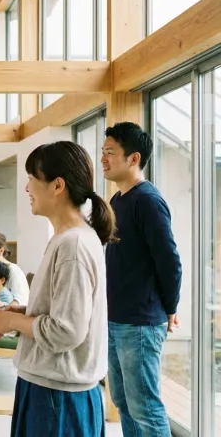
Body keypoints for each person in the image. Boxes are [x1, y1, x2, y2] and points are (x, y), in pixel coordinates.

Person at [0, 141, 113, 436]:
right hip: (53, 389)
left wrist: (14, 321)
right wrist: (20, 312)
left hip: (58, 396)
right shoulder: (69, 239)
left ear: (57, 185)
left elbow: (67, 331)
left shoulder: (73, 245)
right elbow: (63, 314)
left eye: (31, 178)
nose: (27, 188)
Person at [102, 121, 181, 436]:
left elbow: (170, 261)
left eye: (111, 152)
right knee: (123, 402)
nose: (104, 158)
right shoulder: (117, 201)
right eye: (103, 152)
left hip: (140, 323)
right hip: (115, 319)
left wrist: (170, 308)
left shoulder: (147, 200)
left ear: (133, 158)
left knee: (144, 408)